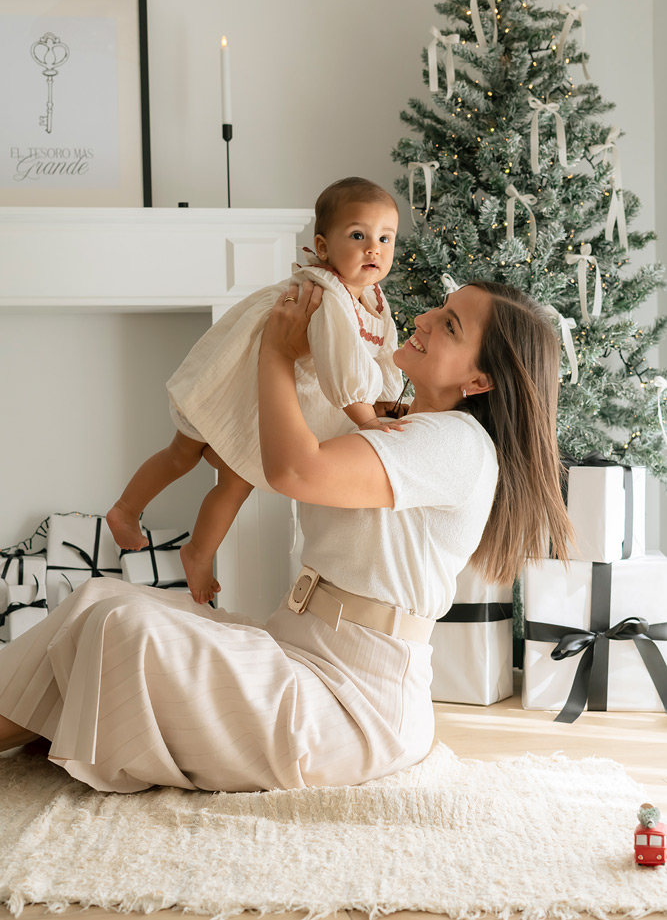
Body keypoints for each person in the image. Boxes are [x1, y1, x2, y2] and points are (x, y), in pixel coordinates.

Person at [0, 278, 572, 794]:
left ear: (480, 379)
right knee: (101, 599)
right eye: (440, 308)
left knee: (123, 629)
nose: (424, 318)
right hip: (294, 647)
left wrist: (276, 351)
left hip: (354, 705)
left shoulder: (456, 444)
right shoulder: (391, 419)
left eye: (450, 324)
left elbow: (295, 470)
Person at [106, 177, 405, 605]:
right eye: (358, 235)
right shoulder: (328, 295)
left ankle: (198, 553)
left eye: (385, 238)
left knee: (237, 481)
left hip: (268, 398)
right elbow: (343, 371)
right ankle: (125, 508)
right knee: (182, 452)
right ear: (323, 247)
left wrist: (389, 399)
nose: (373, 248)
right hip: (237, 384)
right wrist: (369, 421)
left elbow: (383, 355)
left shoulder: (373, 299)